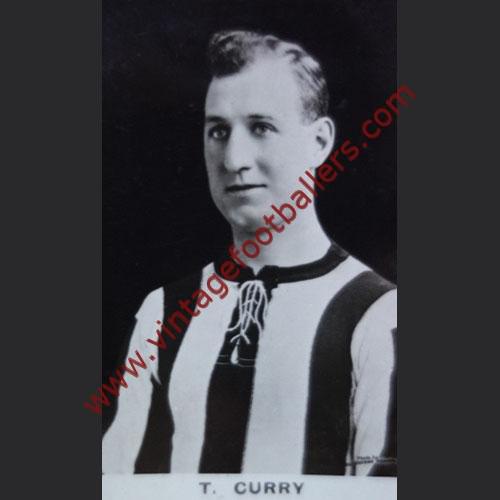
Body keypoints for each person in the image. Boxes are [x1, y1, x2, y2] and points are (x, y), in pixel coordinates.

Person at [102, 30, 397, 476]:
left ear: (320, 142)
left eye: (261, 128)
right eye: (218, 131)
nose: (233, 159)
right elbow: (115, 482)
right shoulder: (162, 313)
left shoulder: (378, 315)